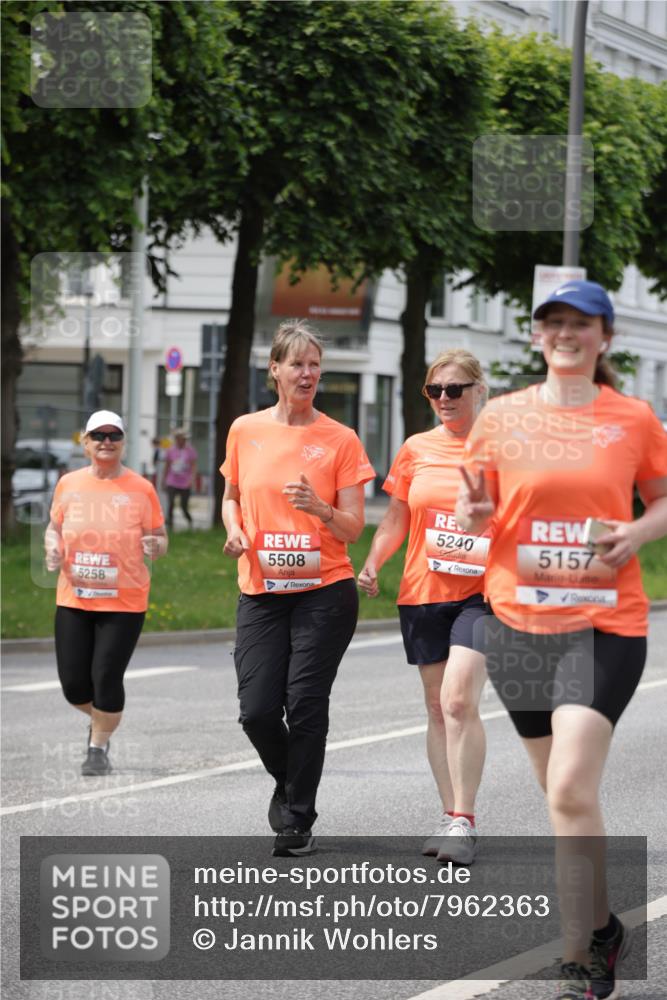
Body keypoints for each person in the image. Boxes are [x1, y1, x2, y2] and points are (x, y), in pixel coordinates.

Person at [455, 280, 667, 1000]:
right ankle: (604, 924)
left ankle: (578, 958)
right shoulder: (500, 418)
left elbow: (662, 496)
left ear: (604, 337)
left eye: (580, 322)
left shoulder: (631, 418)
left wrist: (636, 531)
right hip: (517, 624)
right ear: (538, 337)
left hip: (604, 623)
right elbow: (475, 513)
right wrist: (474, 514)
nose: (565, 333)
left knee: (572, 786)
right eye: (552, 322)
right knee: (558, 795)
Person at [221, 319, 374, 857]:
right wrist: (235, 530)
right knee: (258, 710)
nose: (307, 373)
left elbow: (354, 526)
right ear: (276, 370)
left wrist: (321, 508)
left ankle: (297, 819)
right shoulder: (245, 429)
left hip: (324, 590)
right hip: (261, 588)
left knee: (305, 702)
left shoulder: (340, 438)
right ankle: (289, 784)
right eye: (297, 364)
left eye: (315, 365)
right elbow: (231, 496)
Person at [358, 349, 490, 865]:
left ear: (479, 389)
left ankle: (465, 818)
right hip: (423, 592)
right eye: (434, 391)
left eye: (454, 390)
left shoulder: (503, 448)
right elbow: (395, 517)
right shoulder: (416, 448)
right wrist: (373, 562)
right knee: (437, 708)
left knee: (459, 700)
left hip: (484, 595)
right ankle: (450, 813)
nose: (443, 400)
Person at [44, 411, 168, 776]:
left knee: (106, 677)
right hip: (74, 598)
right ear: (85, 442)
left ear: (123, 442)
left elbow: (161, 538)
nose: (106, 442)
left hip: (124, 601)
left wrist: (154, 546)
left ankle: (97, 747)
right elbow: (54, 528)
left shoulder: (140, 488)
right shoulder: (68, 484)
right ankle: (102, 721)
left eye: (114, 435)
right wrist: (52, 547)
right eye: (98, 435)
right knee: (73, 686)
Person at [164, 427, 197, 529]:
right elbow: (167, 465)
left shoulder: (190, 451)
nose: (182, 440)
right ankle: (170, 525)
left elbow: (193, 466)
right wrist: (164, 480)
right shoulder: (171, 451)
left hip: (185, 482)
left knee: (183, 505)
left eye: (184, 438)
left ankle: (190, 521)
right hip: (172, 481)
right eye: (180, 438)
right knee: (171, 503)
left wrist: (192, 479)